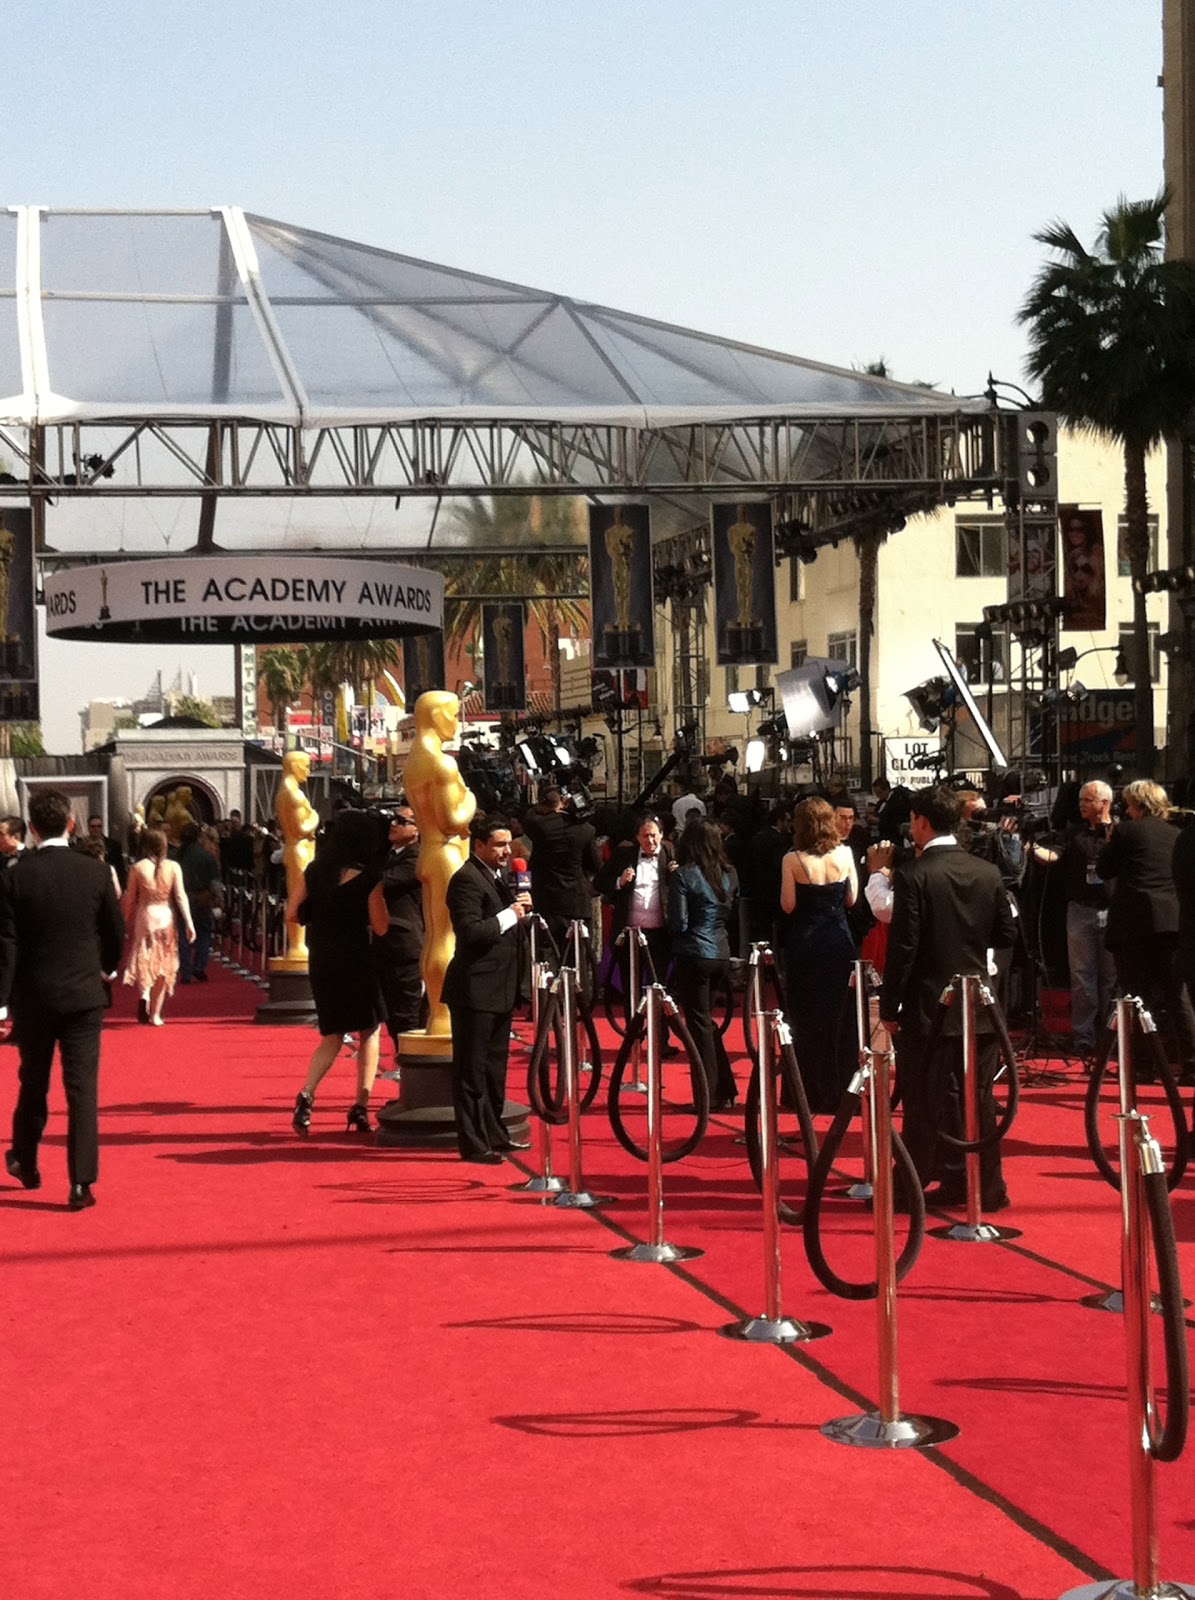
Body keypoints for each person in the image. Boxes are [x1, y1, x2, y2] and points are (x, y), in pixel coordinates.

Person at [880, 785, 1016, 1211]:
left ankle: (914, 1186)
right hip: (978, 1002)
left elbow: (904, 948)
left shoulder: (914, 875)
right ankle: (983, 1185)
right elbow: (1006, 934)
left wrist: (888, 1006)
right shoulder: (987, 872)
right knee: (977, 1099)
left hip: (929, 1003)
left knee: (924, 1098)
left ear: (922, 822)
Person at [0, 788, 124, 1210]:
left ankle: (26, 1161)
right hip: (84, 995)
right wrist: (104, 969)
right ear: (70, 823)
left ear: (32, 828)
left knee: (33, 1082)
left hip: (33, 998)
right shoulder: (95, 872)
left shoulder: (15, 876)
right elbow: (114, 931)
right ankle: (80, 1183)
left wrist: (3, 999)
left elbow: (7, 944)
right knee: (82, 1090)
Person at [290, 809, 390, 1137]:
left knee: (331, 1035)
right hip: (358, 957)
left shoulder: (315, 870)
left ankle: (307, 1093)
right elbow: (381, 926)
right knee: (369, 1030)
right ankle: (361, 1105)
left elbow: (292, 912)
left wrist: (319, 914)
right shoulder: (368, 878)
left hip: (322, 956)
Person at [442, 815, 531, 1164]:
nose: (506, 851)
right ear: (478, 844)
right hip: (474, 989)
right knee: (472, 1069)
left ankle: (495, 1131)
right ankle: (473, 1141)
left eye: (508, 844)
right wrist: (510, 915)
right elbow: (470, 932)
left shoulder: (498, 879)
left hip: (501, 987)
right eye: (498, 844)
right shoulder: (465, 879)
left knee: (495, 1068)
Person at [1098, 778, 1195, 1079]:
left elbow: (1104, 869)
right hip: (1171, 923)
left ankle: (1141, 1065)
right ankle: (1191, 1063)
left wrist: (1110, 838)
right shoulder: (1176, 834)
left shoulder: (1126, 831)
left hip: (1135, 925)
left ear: (1137, 805)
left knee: (1136, 996)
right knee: (1176, 996)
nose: (1125, 811)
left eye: (1128, 804)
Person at [780, 797, 859, 1113]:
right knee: (839, 1016)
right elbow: (852, 899)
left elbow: (788, 906)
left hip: (806, 944)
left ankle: (807, 1091)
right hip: (839, 941)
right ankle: (841, 1089)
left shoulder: (792, 860)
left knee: (806, 1018)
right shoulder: (845, 854)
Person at [1032, 780, 1116, 1060]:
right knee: (1082, 977)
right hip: (1079, 910)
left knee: (1110, 977)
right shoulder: (1073, 833)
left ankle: (1112, 1035)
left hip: (1112, 909)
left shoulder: (1120, 831)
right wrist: (1033, 848)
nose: (1081, 805)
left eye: (1087, 800)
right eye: (1080, 800)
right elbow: (1052, 855)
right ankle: (1084, 1037)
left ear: (1104, 803)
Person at [668, 815, 739, 1108]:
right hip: (720, 950)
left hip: (694, 953)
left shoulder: (684, 876)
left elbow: (679, 922)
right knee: (706, 1023)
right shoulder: (729, 873)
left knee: (699, 1025)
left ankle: (707, 1094)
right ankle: (723, 1088)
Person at [598, 811, 676, 1005]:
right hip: (629, 933)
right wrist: (619, 881)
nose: (650, 840)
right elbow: (600, 882)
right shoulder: (624, 855)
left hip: (659, 934)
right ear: (637, 837)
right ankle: (633, 1031)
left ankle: (660, 1034)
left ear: (661, 835)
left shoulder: (671, 855)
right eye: (645, 836)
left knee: (658, 987)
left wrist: (677, 876)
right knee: (630, 988)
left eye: (653, 835)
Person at [122, 829, 195, 1026]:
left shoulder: (137, 867)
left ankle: (144, 993)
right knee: (165, 962)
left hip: (145, 915)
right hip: (165, 915)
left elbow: (130, 899)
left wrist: (124, 921)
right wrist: (189, 922)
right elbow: (180, 896)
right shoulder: (173, 867)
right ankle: (155, 1014)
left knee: (144, 957)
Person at [522, 786, 599, 954]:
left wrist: (550, 806)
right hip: (577, 902)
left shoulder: (541, 827)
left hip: (547, 901)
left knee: (546, 955)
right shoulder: (586, 830)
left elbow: (528, 818)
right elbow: (594, 865)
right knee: (578, 956)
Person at [377, 805, 425, 1048]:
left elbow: (384, 882)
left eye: (402, 821)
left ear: (417, 830)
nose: (394, 824)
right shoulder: (388, 853)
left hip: (406, 944)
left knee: (407, 1011)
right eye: (392, 819)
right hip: (384, 943)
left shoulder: (416, 857)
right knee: (391, 1011)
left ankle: (409, 1067)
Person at [177, 822, 220, 984]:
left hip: (182, 897)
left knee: (183, 934)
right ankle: (199, 966)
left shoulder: (177, 856)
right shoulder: (205, 856)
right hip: (202, 896)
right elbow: (214, 880)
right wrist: (216, 898)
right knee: (203, 932)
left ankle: (186, 971)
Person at [86, 814, 126, 889]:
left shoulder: (114, 845)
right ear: (88, 827)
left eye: (99, 826)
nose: (96, 829)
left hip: (109, 885)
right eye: (93, 826)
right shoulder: (82, 846)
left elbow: (120, 869)